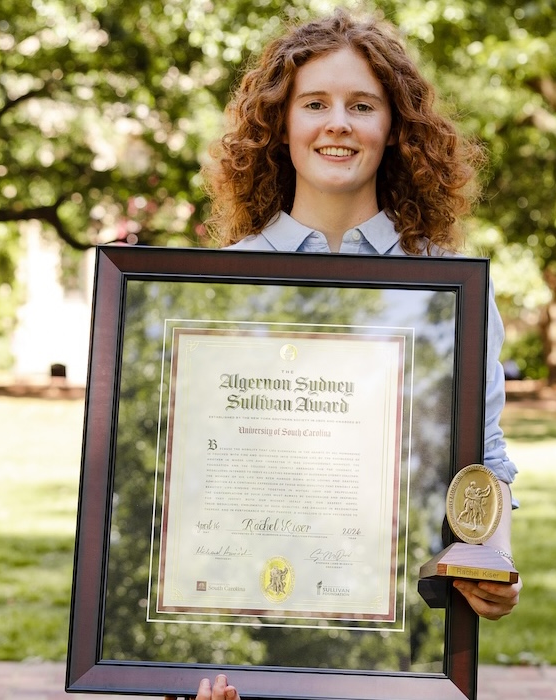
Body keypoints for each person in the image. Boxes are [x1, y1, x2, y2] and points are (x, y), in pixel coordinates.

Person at [177, 10, 522, 700]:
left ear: (394, 128)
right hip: (247, 641)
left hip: (397, 656)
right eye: (315, 104)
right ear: (280, 123)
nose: (339, 123)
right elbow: (189, 473)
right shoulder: (216, 288)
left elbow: (484, 457)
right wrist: (180, 654)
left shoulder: (450, 292)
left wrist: (493, 558)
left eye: (362, 105)